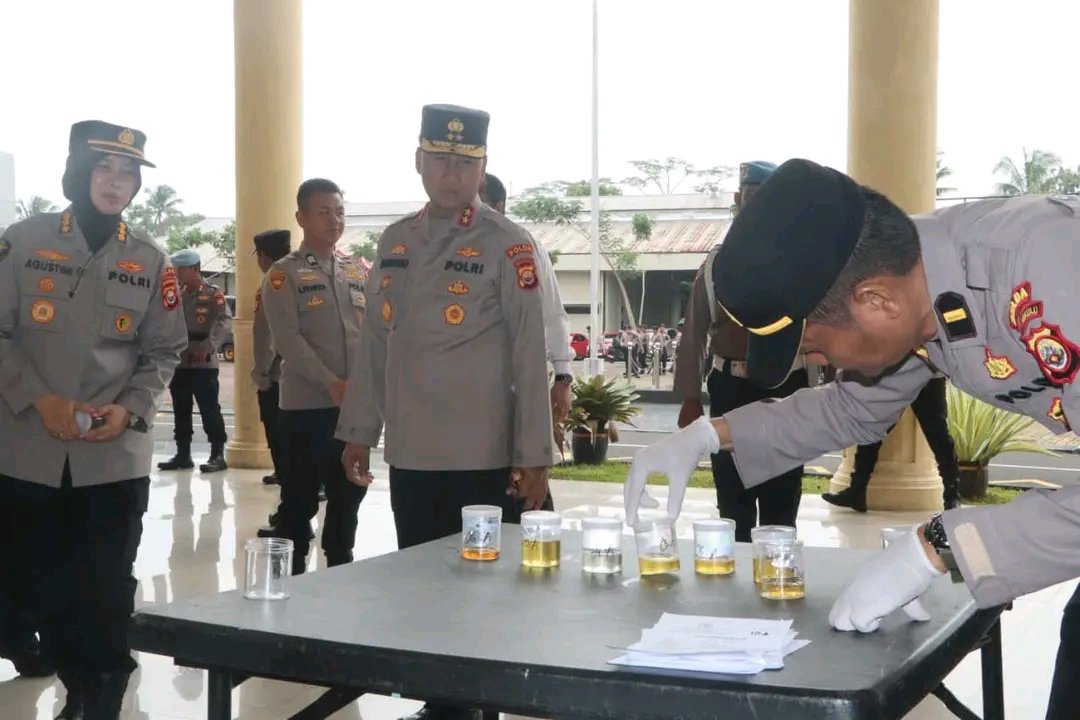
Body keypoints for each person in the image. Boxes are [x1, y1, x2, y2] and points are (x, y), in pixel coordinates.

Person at [624, 157, 1080, 719]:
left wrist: (938, 546)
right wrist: (708, 436)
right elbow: (852, 407)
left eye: (813, 346)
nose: (815, 360)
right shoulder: (914, 283)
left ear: (874, 303)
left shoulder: (1049, 269)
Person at [337, 103, 552, 720]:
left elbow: (526, 354)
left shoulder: (510, 244)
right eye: (440, 160)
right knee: (424, 591)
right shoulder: (395, 241)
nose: (451, 173)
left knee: (483, 590)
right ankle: (443, 704)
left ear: (482, 168)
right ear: (419, 162)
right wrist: (358, 430)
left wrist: (533, 455)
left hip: (482, 454)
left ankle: (478, 704)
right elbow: (376, 340)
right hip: (412, 451)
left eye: (465, 162)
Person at [0, 120, 186, 719]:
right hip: (28, 446)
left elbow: (164, 350)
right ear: (79, 171)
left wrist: (129, 407)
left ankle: (100, 690)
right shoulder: (22, 242)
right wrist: (38, 398)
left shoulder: (151, 258)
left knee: (106, 583)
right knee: (41, 579)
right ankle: (64, 666)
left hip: (112, 453)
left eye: (128, 172)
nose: (116, 182)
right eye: (104, 169)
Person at [672, 161, 808, 541]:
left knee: (783, 499)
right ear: (738, 200)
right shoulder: (718, 263)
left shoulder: (801, 264)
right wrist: (689, 397)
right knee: (733, 501)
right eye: (750, 197)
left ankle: (776, 579)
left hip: (786, 387)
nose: (757, 207)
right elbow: (695, 331)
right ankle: (734, 586)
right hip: (731, 388)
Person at [259, 179, 368, 576]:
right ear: (301, 217)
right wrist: (331, 382)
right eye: (323, 212)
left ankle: (341, 568)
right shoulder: (282, 274)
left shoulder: (356, 270)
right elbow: (288, 342)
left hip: (352, 411)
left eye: (339, 211)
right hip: (306, 409)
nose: (334, 219)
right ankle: (291, 578)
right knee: (299, 501)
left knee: (350, 493)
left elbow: (370, 335)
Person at [482, 170, 570, 504]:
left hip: (520, 390)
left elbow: (552, 313)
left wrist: (562, 376)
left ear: (500, 206)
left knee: (525, 488)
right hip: (469, 396)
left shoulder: (524, 247)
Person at [820, 372, 960, 512]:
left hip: (927, 374)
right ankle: (856, 492)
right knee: (873, 428)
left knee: (938, 435)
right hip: (895, 372)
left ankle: (952, 497)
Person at [157, 248, 232, 473]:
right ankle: (183, 453)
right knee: (181, 407)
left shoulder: (211, 293)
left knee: (209, 408)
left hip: (203, 360)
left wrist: (211, 346)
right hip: (180, 360)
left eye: (179, 269)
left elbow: (225, 320)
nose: (176, 273)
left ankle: (217, 454)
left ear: (193, 269)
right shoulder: (175, 294)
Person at [252, 229, 292, 486]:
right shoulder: (302, 275)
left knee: (279, 434)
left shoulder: (273, 280)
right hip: (305, 376)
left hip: (278, 375)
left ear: (263, 256)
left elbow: (265, 334)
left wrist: (262, 374)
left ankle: (289, 483)